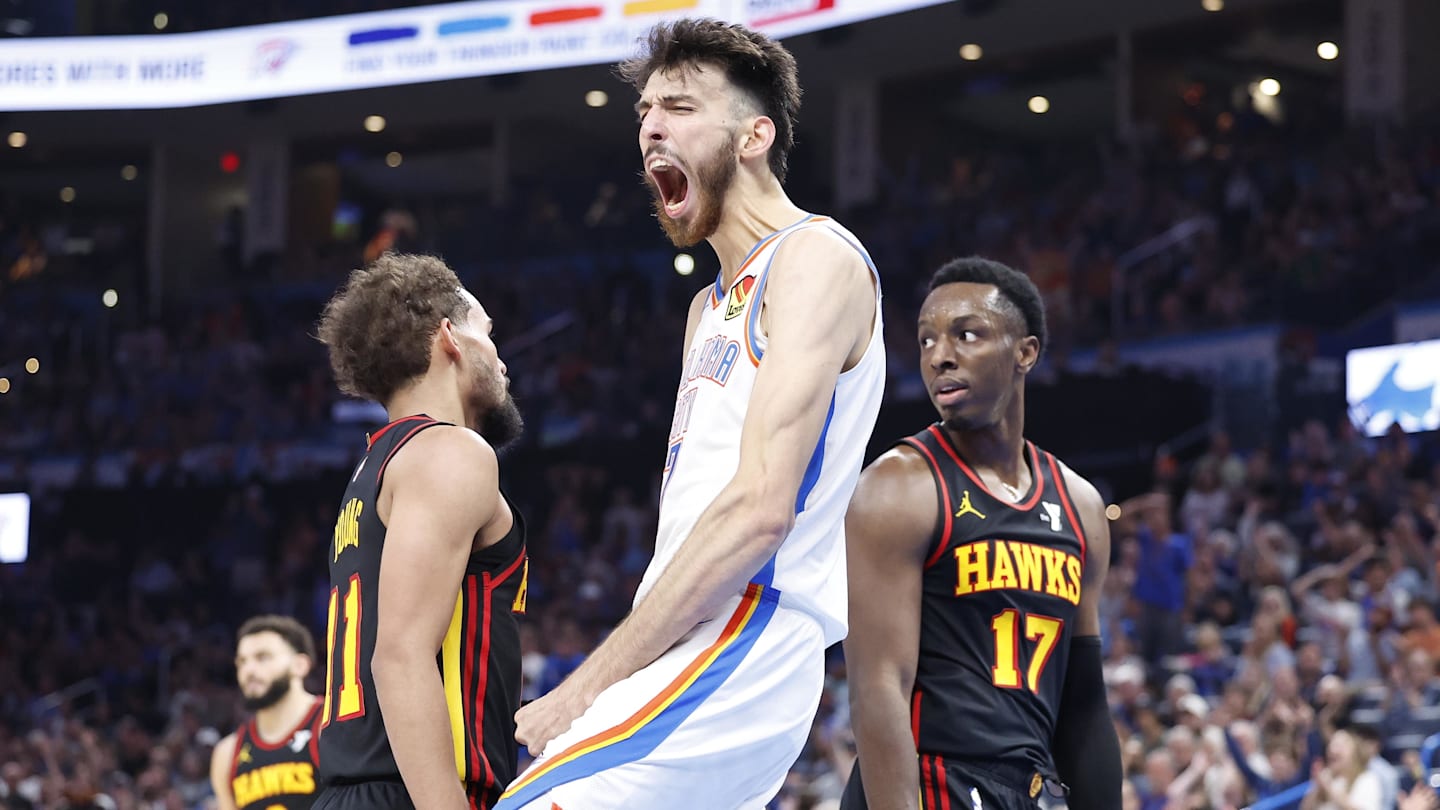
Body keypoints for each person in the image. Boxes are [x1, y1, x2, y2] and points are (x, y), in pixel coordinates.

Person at [496, 17, 883, 810]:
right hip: (688, 635)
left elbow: (757, 512)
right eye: (643, 113)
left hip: (750, 627)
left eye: (676, 106)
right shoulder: (705, 308)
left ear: (753, 136)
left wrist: (583, 689)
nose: (649, 129)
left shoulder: (817, 258)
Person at [841, 258, 1121, 810]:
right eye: (925, 340)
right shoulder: (897, 488)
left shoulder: (1080, 505)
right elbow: (879, 691)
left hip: (1032, 787)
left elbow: (1084, 701)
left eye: (966, 334)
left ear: (1026, 352)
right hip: (930, 782)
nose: (939, 355)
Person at [312, 253, 528, 810]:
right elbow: (401, 656)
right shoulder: (450, 452)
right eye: (488, 333)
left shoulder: (376, 468)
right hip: (412, 792)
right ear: (450, 337)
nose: (502, 358)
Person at [210, 616, 323, 810]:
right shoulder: (227, 753)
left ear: (300, 665)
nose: (249, 670)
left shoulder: (330, 725)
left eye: (262, 657)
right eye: (242, 662)